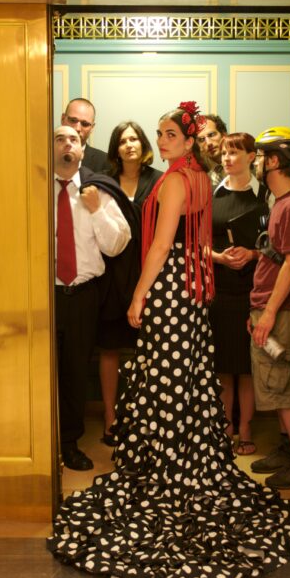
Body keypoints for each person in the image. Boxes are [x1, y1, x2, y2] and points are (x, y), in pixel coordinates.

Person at [48, 108, 290, 578]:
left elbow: (162, 247)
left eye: (170, 134)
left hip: (168, 288)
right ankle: (188, 457)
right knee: (186, 376)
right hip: (193, 289)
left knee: (165, 377)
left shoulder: (172, 183)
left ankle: (167, 466)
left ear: (188, 143)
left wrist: (140, 293)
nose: (161, 140)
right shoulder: (202, 180)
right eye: (160, 133)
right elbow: (194, 242)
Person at [53, 125, 131, 470]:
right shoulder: (33, 188)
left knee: (73, 373)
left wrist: (97, 209)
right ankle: (40, 441)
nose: (68, 143)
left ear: (84, 151)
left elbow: (117, 245)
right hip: (41, 297)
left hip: (83, 297)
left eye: (75, 139)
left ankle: (69, 443)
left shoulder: (99, 191)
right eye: (60, 138)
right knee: (39, 372)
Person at [98, 121, 162, 445]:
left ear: (143, 144)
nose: (129, 145)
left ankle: (144, 418)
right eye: (122, 140)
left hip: (150, 274)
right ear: (116, 148)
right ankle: (110, 417)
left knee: (148, 350)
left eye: (134, 139)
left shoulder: (160, 180)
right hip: (111, 276)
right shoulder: (105, 183)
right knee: (109, 349)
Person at [249, 127, 290, 490]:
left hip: (278, 313)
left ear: (275, 160)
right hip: (266, 308)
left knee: (282, 387)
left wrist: (267, 313)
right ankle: (286, 449)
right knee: (276, 387)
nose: (255, 163)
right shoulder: (280, 203)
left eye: (260, 156)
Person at [210, 132, 268, 455]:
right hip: (219, 289)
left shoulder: (264, 196)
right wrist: (220, 257)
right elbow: (196, 244)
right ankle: (225, 426)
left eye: (234, 153)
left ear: (251, 156)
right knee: (222, 364)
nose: (228, 159)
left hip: (253, 289)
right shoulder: (212, 193)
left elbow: (278, 248)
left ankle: (245, 427)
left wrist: (252, 255)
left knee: (247, 366)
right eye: (224, 153)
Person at [61, 98, 110, 172]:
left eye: (85, 124)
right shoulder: (43, 155)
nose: (77, 128)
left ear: (92, 128)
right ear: (63, 119)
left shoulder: (105, 162)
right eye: (73, 120)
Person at [196, 113, 227, 189]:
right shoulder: (198, 173)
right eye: (201, 140)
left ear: (224, 135)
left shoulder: (245, 162)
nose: (208, 143)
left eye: (212, 135)